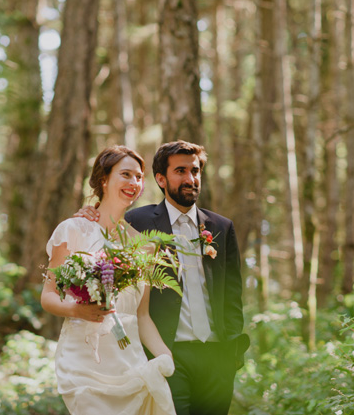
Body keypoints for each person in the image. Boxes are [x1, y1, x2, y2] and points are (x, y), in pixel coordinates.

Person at [77, 140, 249, 415]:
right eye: (180, 171)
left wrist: (231, 353)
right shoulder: (137, 222)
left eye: (195, 171)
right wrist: (88, 214)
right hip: (166, 355)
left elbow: (232, 293)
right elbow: (104, 229)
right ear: (160, 178)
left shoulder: (222, 226)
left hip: (218, 357)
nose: (190, 178)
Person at [41, 145, 176, 415]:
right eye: (126, 174)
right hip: (84, 361)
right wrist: (76, 309)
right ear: (104, 179)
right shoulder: (73, 229)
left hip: (129, 363)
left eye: (139, 177)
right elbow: (48, 295)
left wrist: (165, 355)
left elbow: (143, 316)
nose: (134, 183)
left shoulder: (146, 246)